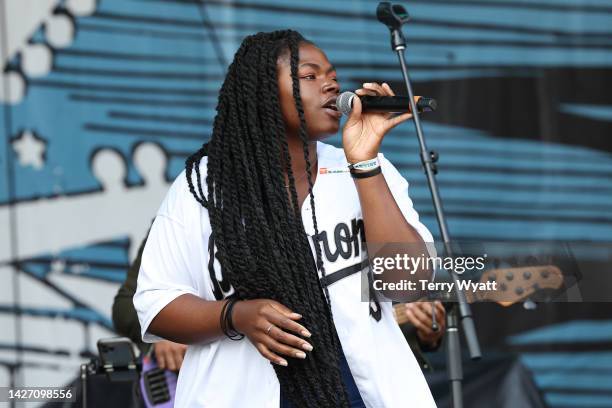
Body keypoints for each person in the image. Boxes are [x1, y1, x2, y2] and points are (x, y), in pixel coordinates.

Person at [134, 30, 437, 407]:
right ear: (263, 93)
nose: (330, 85)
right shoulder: (203, 186)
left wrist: (364, 162)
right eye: (310, 76)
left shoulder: (362, 170)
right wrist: (235, 315)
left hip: (361, 393)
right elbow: (156, 304)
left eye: (332, 76)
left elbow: (407, 282)